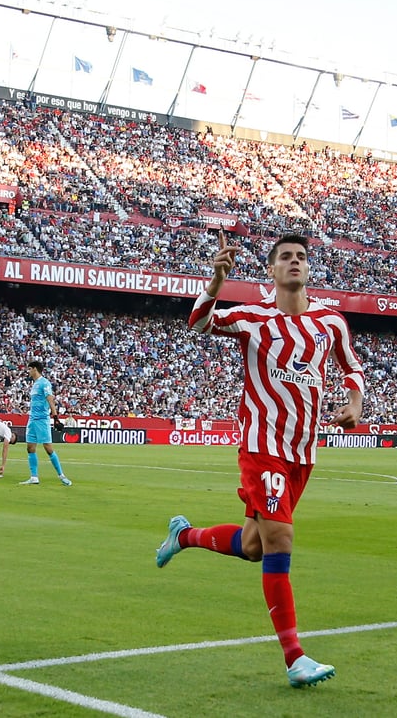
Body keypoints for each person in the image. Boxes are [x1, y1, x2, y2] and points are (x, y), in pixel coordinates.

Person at [154, 232, 364, 688]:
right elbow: (197, 323)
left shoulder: (330, 322)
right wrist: (215, 281)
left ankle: (183, 536)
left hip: (301, 454)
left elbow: (352, 368)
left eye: (301, 257)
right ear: (270, 271)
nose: (294, 262)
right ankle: (295, 658)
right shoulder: (253, 318)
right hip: (261, 446)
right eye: (285, 257)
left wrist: (355, 404)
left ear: (309, 269)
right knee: (280, 540)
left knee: (253, 546)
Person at [19, 361, 71, 486]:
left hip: (42, 419)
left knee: (48, 448)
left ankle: (61, 475)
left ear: (35, 369)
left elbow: (50, 399)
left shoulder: (44, 383)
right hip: (32, 419)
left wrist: (55, 417)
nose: (28, 371)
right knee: (30, 448)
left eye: (30, 369)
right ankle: (34, 477)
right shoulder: (35, 384)